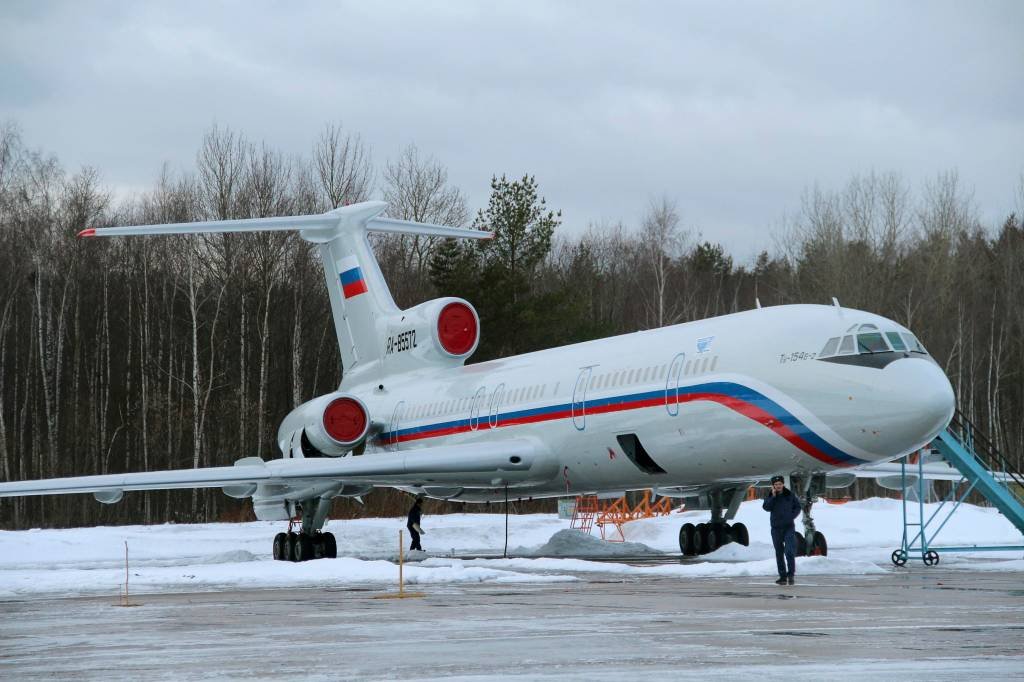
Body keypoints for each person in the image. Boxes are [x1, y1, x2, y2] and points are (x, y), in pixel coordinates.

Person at [762, 475, 801, 585]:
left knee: (789, 551)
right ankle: (782, 576)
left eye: (780, 484)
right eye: (776, 485)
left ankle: (791, 574)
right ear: (773, 486)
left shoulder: (790, 495)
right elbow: (766, 508)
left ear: (783, 484)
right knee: (779, 552)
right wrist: (773, 497)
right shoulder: (771, 496)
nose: (778, 486)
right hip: (776, 528)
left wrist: (791, 516)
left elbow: (797, 507)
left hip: (788, 527)